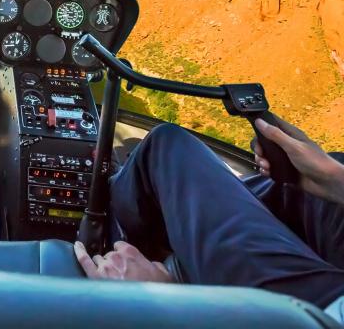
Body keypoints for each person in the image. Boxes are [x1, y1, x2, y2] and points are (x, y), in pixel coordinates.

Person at [72, 118, 344, 320]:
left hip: (324, 313)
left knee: (168, 147)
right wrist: (331, 178)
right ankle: (147, 197)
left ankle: (115, 233)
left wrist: (168, 303)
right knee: (303, 181)